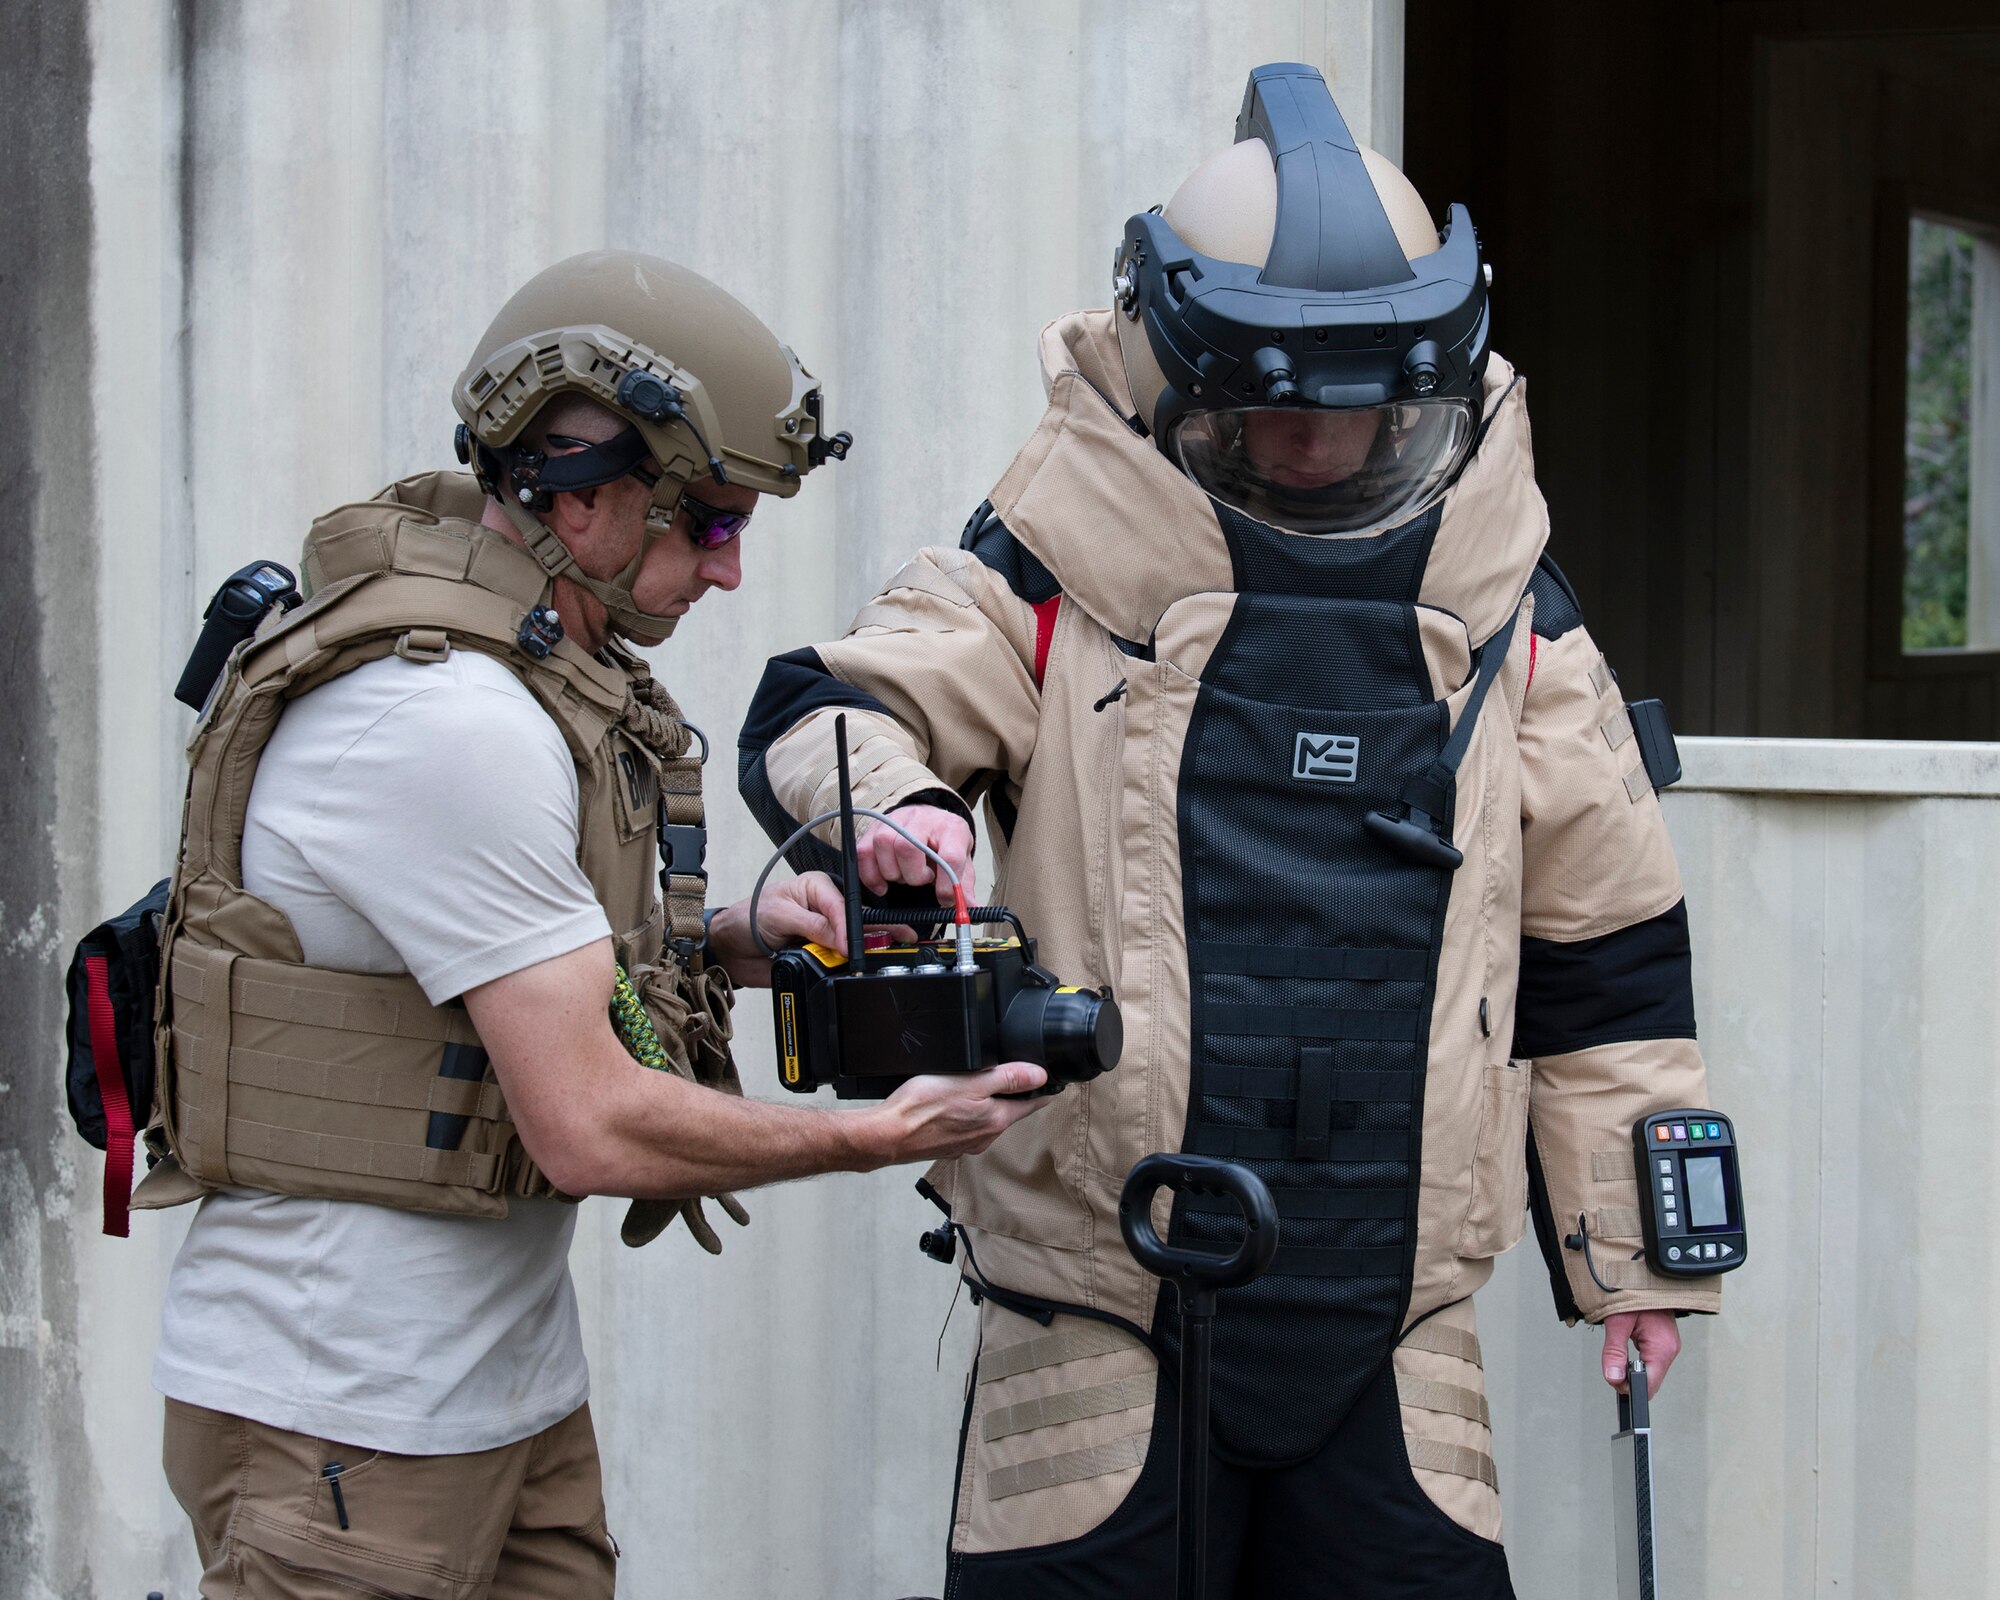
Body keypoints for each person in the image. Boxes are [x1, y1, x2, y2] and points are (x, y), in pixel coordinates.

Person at [740, 65, 1721, 1599]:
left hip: (1394, 1334)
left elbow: (1611, 959)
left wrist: (1639, 1267)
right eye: (1268, 417)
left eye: (1363, 418)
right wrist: (902, 813)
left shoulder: (1509, 618)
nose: (1318, 452)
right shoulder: (1051, 574)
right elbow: (831, 710)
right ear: (1170, 376)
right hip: (1096, 1315)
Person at [136, 248, 1045, 1599]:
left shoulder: (535, 683)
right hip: (341, 1416)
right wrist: (873, 1137)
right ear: (582, 495)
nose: (730, 573)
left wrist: (743, 938)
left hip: (495, 1387)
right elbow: (591, 1122)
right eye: (712, 523)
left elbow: (515, 962)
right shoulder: (447, 722)